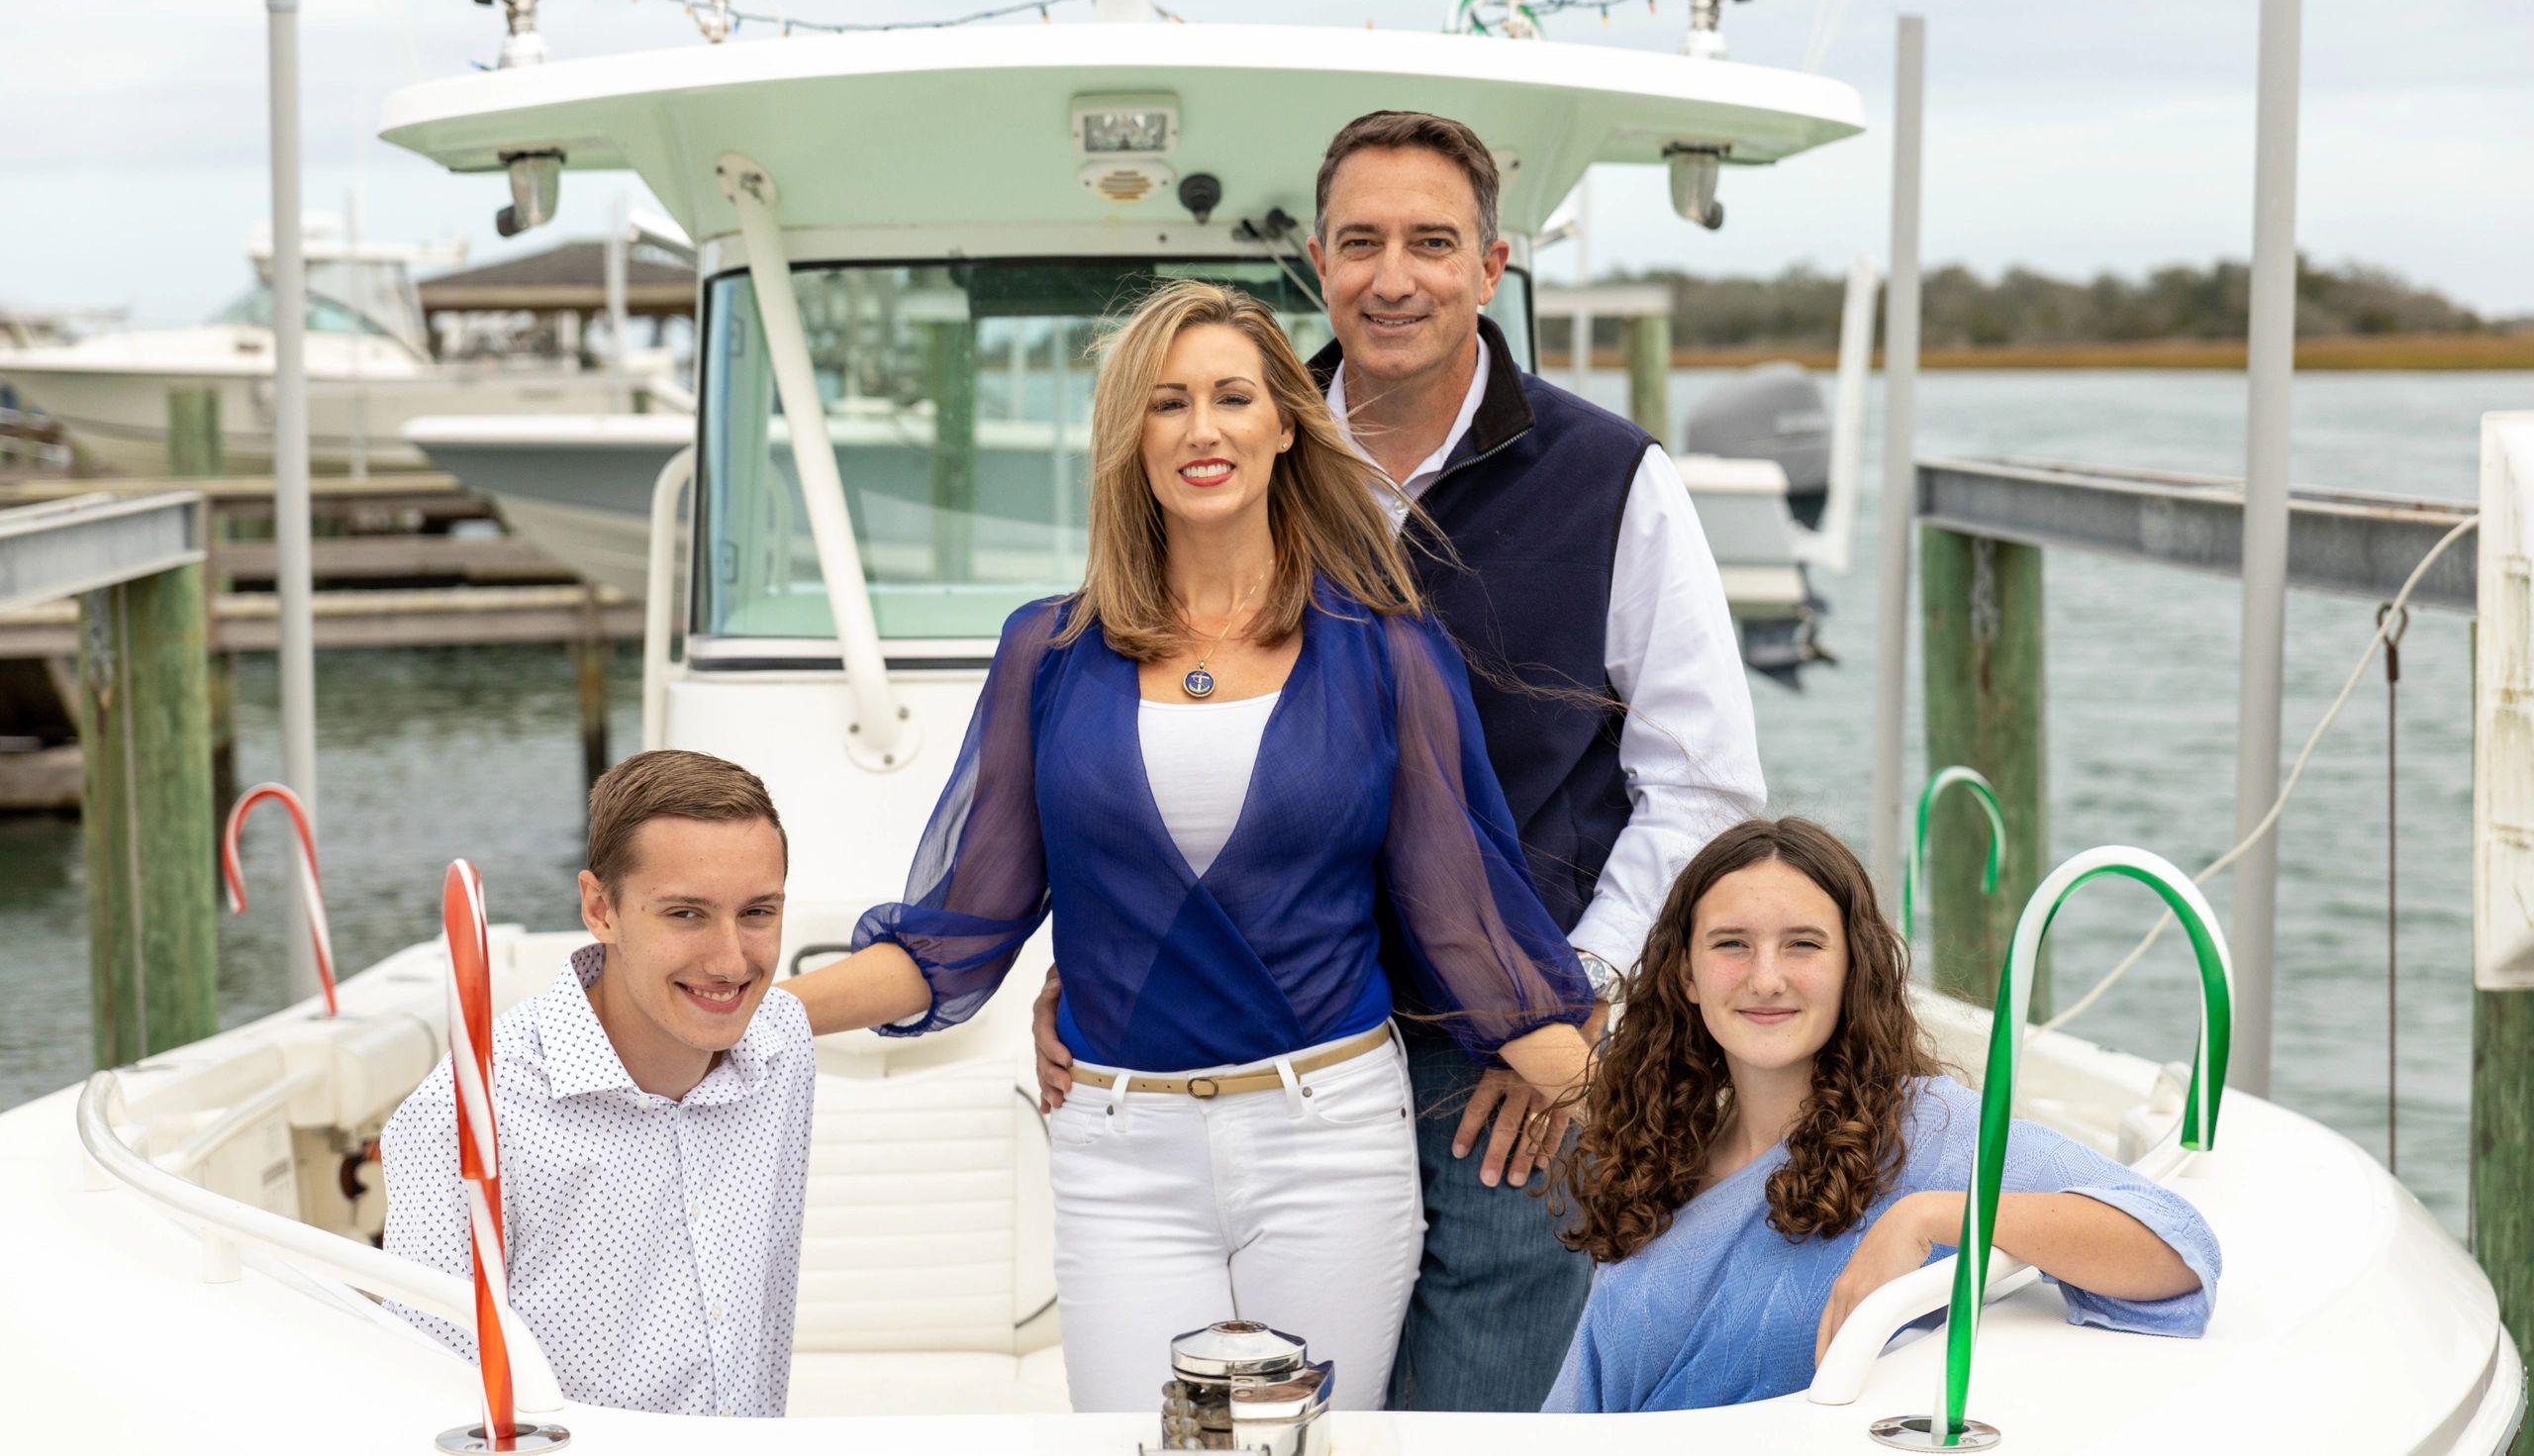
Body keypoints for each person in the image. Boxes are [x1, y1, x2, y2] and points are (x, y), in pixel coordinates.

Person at [1033, 110, 1767, 1411]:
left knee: (1467, 1413)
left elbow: (1702, 779)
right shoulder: (1235, 455)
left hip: (1510, 1060)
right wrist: (1087, 960)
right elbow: (1132, 725)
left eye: (1433, 242)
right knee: (1233, 1417)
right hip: (1279, 1033)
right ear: (1317, 260)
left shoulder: (1614, 479)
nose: (1393, 276)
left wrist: (1571, 995)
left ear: (1491, 268)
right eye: (1361, 241)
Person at [779, 278, 1596, 1412]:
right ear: (1130, 437)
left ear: (1282, 425)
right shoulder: (1047, 652)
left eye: (1229, 397)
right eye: (1166, 404)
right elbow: (953, 939)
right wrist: (744, 1009)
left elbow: (1462, 926)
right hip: (1119, 1148)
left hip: (1330, 1143)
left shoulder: (1387, 653)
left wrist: (1634, 1084)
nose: (1201, 429)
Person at [1544, 817, 2220, 1412]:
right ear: (1686, 973)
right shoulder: (1656, 1152)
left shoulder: (1924, 1130)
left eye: (1804, 944)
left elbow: (2177, 1249)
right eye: (1732, 944)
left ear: (1852, 968)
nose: (1767, 977)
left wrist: (1924, 1217)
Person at [382, 750, 817, 1416]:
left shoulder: (782, 1046)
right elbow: (424, 1394)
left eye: (757, 912)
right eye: (686, 914)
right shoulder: (466, 1111)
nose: (731, 959)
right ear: (599, 907)